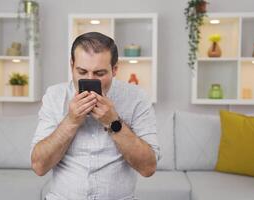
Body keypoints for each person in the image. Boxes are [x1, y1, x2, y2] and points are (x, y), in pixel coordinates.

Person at [30, 32, 160, 200]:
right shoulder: (55, 96)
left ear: (114, 70)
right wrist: (71, 121)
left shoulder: (137, 98)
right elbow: (39, 166)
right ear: (71, 66)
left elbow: (148, 167)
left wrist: (113, 122)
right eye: (82, 71)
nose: (90, 80)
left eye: (99, 73)